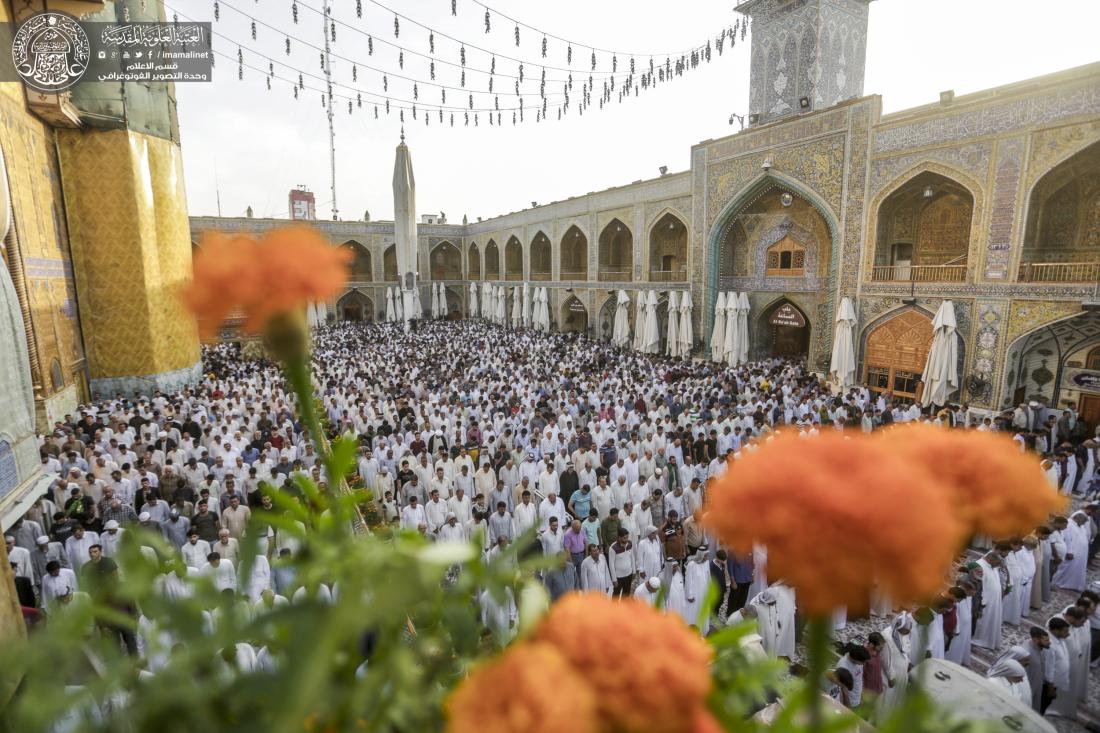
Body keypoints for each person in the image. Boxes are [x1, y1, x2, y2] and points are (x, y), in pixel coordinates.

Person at [683, 547, 711, 632]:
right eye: (705, 556)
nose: (707, 557)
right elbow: (688, 580)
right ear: (701, 555)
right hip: (695, 594)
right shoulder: (691, 564)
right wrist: (689, 595)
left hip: (704, 592)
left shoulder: (706, 563)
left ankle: (703, 631)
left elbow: (708, 577)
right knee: (694, 612)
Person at [1025, 626, 1052, 712]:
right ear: (1036, 640)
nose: (1049, 642)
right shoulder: (1027, 652)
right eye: (1046, 640)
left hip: (1037, 685)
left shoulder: (1039, 648)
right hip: (1029, 689)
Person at [608, 528, 635, 598]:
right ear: (619, 537)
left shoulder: (629, 544)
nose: (626, 540)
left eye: (627, 537)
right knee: (616, 596)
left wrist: (634, 571)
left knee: (626, 594)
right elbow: (611, 565)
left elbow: (632, 557)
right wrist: (614, 579)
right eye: (624, 538)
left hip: (629, 575)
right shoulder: (613, 548)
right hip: (619, 577)